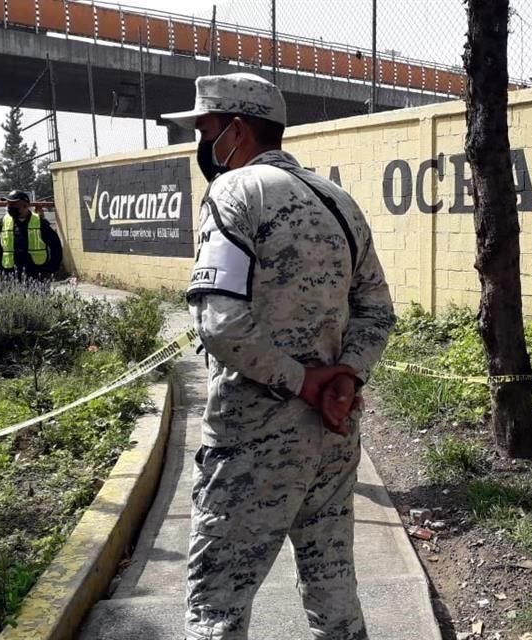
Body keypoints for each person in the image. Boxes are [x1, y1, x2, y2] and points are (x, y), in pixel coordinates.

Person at [162, 72, 395, 640]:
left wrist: (303, 381)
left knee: (217, 603)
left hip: (253, 439)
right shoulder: (339, 200)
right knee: (332, 586)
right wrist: (344, 380)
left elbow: (220, 324)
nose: (199, 143)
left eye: (204, 129)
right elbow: (378, 312)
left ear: (235, 129)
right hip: (333, 438)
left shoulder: (235, 192)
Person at [0, 190, 62, 280]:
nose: (10, 207)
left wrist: (51, 269)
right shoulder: (2, 223)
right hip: (10, 273)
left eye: (14, 204)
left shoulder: (40, 223)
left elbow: (55, 246)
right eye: (8, 204)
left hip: (36, 273)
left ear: (26, 205)